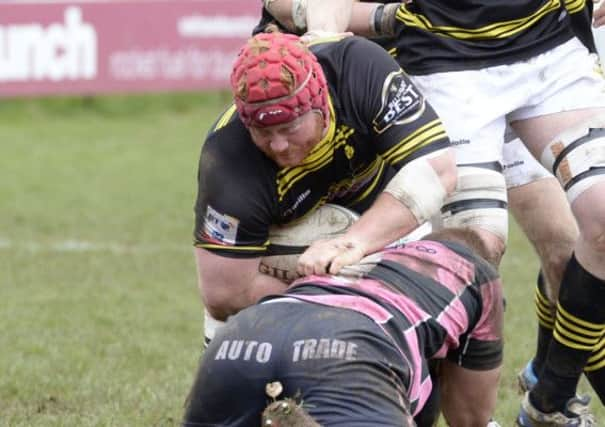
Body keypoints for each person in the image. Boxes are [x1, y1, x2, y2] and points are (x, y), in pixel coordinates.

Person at [261, 1, 605, 424]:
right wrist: (327, 38)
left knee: (583, 238)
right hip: (448, 68)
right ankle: (442, 412)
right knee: (471, 259)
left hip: (549, 54)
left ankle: (550, 399)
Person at [193, 30, 457, 344]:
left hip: (384, 216)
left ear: (322, 103)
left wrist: (350, 245)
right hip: (285, 277)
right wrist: (339, 295)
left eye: (290, 127)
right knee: (227, 341)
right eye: (263, 131)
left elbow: (438, 171)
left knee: (451, 308)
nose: (278, 145)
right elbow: (224, 295)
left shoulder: (359, 69)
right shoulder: (228, 159)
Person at [183, 227, 504, 427]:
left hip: (243, 334)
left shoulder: (365, 252)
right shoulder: (478, 274)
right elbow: (470, 418)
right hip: (349, 343)